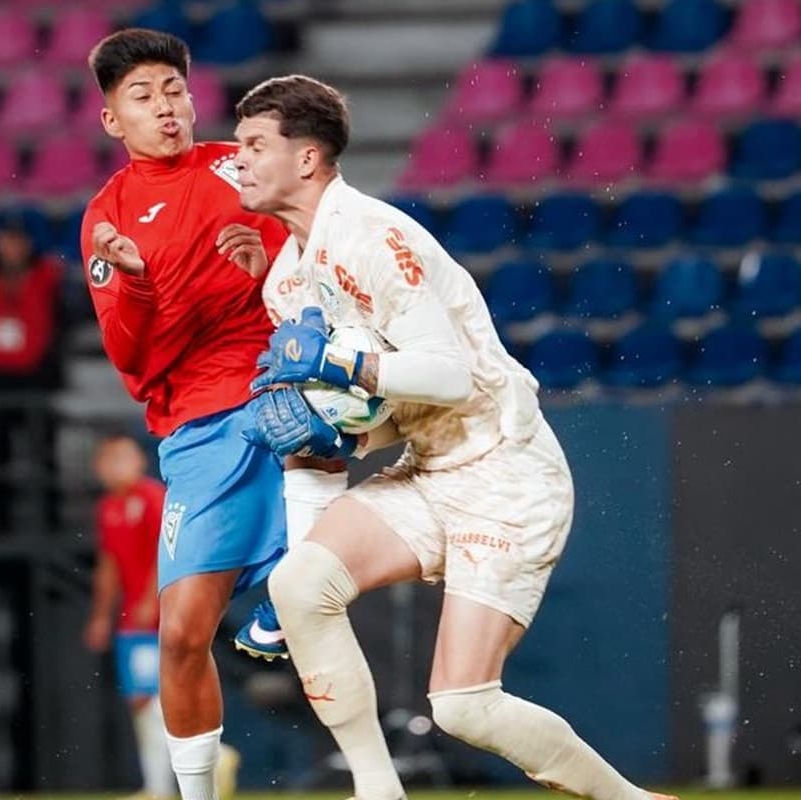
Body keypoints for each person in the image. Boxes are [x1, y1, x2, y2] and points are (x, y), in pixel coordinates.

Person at [232, 75, 679, 800]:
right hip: (429, 468)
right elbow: (339, 444)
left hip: (505, 472)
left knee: (465, 706)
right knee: (300, 582)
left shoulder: (375, 237)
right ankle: (380, 793)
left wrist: (335, 365)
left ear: (308, 158)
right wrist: (330, 433)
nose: (238, 161)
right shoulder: (285, 284)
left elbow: (449, 379)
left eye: (255, 145)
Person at [80, 28, 289, 800]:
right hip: (197, 434)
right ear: (113, 120)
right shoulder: (109, 220)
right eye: (142, 96)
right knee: (180, 636)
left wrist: (272, 267)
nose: (165, 107)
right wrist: (134, 284)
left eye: (174, 89)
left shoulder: (246, 171)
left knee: (319, 604)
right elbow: (132, 360)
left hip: (280, 403)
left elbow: (319, 281)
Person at [82, 433, 174, 799]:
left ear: (140, 461)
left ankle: (159, 787)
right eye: (108, 459)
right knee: (142, 698)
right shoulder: (108, 508)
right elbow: (108, 566)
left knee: (149, 698)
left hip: (155, 615)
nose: (115, 466)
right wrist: (101, 615)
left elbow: (166, 550)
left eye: (123, 457)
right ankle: (209, 761)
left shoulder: (153, 498)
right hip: (128, 618)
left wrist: (153, 599)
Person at [0, 209, 63, 531]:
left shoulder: (49, 274)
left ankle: (50, 524)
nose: (11, 247)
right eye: (5, 240)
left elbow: (62, 321)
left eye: (17, 241)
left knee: (44, 458)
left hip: (37, 379)